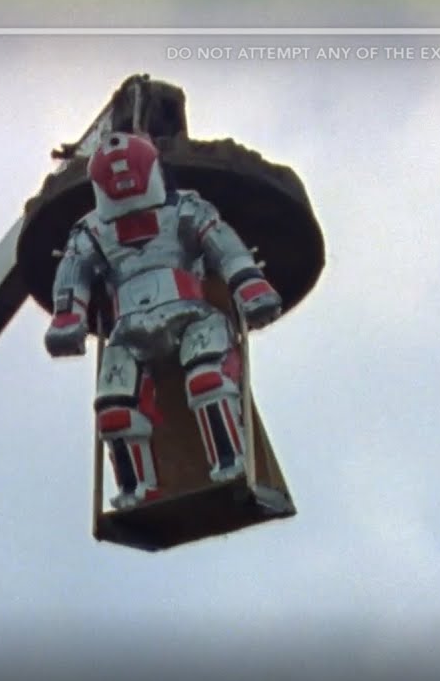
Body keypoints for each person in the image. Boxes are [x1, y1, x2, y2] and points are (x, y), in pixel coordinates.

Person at [44, 131, 283, 508]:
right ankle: (136, 489)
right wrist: (67, 314)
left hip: (190, 313)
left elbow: (223, 245)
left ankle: (229, 461)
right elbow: (74, 271)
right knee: (113, 408)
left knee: (207, 378)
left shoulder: (185, 210)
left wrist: (249, 284)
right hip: (127, 330)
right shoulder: (92, 231)